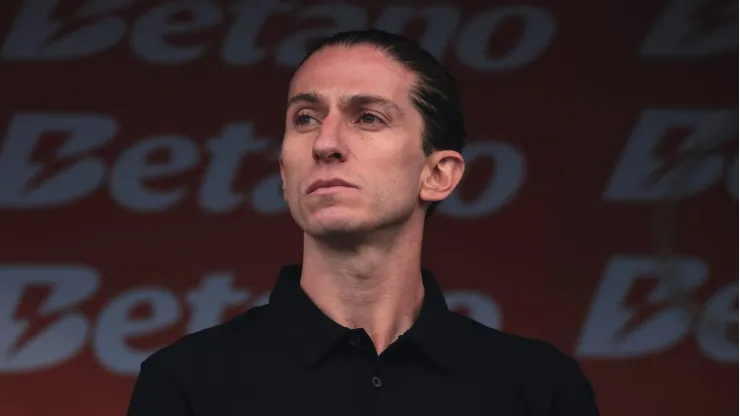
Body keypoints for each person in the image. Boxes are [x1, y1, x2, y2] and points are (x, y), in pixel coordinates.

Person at [126, 29, 599, 415]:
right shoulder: (186, 383)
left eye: (368, 117)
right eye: (305, 118)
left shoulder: (540, 389)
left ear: (437, 174)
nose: (325, 143)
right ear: (285, 172)